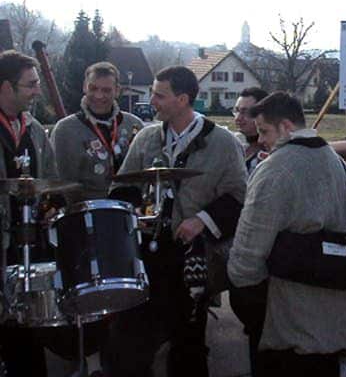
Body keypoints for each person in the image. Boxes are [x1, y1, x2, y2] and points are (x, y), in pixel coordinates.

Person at [102, 66, 247, 377]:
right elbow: (123, 186)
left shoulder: (223, 142)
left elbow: (239, 197)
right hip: (146, 254)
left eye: (159, 95)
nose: (152, 101)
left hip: (192, 257)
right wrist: (134, 211)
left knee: (188, 342)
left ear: (182, 99)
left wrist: (202, 220)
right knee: (129, 341)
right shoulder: (146, 138)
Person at [228, 92, 346, 377]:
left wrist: (247, 300)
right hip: (338, 312)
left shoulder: (274, 169)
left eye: (265, 131)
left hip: (289, 318)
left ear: (286, 127)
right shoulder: (338, 162)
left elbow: (248, 251)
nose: (261, 139)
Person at [0, 50, 58, 376]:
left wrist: (50, 208)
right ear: (6, 87)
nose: (38, 91)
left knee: (27, 343)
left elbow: (52, 182)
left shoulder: (34, 130)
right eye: (31, 84)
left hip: (26, 252)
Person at [50, 62, 143, 201]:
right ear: (84, 87)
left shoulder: (134, 125)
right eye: (93, 88)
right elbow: (60, 183)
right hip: (85, 209)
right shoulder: (65, 130)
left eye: (106, 90)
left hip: (129, 208)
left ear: (117, 90)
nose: (99, 96)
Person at [232, 86, 269, 174]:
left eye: (245, 112)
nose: (237, 118)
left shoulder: (272, 150)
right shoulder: (232, 144)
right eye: (236, 111)